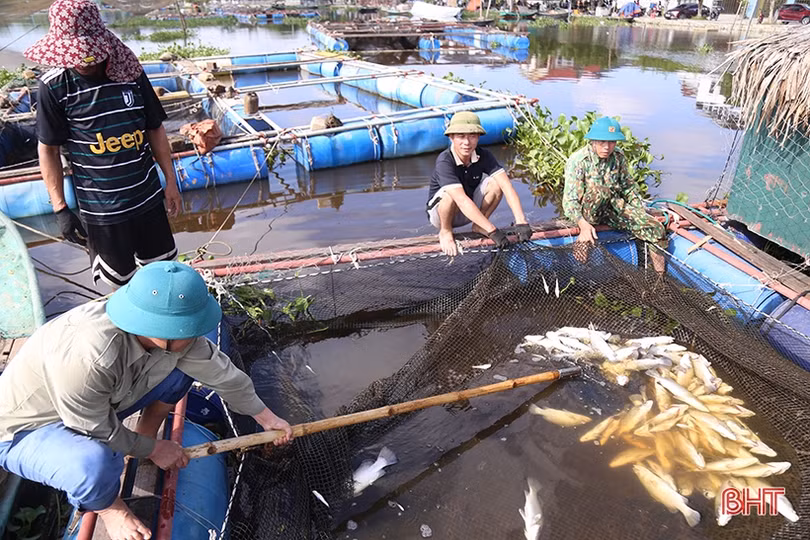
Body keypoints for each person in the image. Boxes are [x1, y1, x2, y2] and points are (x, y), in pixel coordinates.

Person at [0, 261, 293, 540]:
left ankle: (144, 434)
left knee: (180, 376)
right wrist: (155, 450)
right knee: (93, 464)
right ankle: (109, 508)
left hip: (94, 404)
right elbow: (95, 428)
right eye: (188, 329)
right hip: (28, 428)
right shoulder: (89, 356)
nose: (194, 335)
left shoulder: (170, 336)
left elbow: (222, 373)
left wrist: (266, 417)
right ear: (156, 328)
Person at [24, 0, 183, 289]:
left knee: (164, 275)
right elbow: (48, 149)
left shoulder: (130, 73)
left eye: (90, 54)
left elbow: (155, 128)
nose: (84, 61)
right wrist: (60, 208)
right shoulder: (54, 86)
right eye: (76, 55)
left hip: (147, 199)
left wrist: (170, 181)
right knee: (119, 284)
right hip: (103, 212)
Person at [562, 116, 667, 271]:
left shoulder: (618, 157)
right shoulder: (578, 161)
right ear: (593, 140)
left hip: (613, 207)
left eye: (611, 142)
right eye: (602, 142)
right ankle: (581, 273)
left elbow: (628, 188)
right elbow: (569, 201)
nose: (607, 147)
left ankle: (660, 280)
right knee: (598, 192)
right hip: (588, 212)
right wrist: (583, 225)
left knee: (656, 229)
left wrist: (640, 212)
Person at [426, 111, 532, 256]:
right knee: (449, 195)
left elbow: (507, 186)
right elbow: (461, 200)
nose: (467, 143)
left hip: (470, 210)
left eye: (472, 136)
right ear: (451, 137)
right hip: (442, 214)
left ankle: (479, 225)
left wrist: (521, 221)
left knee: (496, 184)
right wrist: (493, 231)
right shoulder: (445, 161)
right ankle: (445, 231)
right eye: (461, 137)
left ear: (478, 138)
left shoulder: (484, 155)